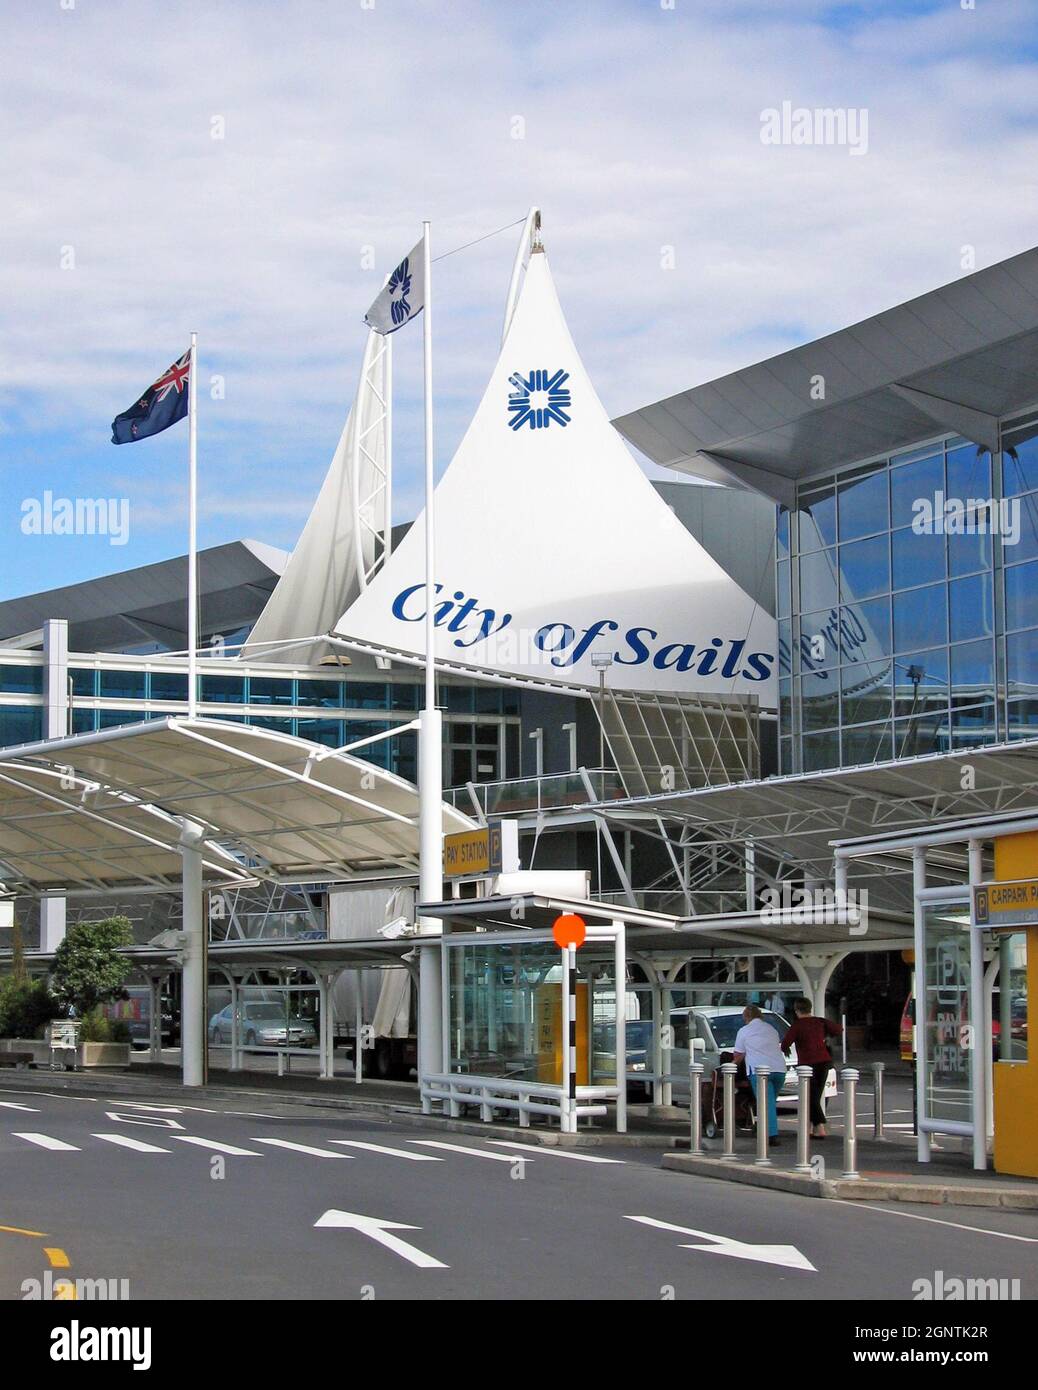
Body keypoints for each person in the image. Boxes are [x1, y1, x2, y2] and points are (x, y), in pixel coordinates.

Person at [782, 997, 841, 1138]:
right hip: (824, 1062)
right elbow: (838, 1029)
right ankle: (812, 1129)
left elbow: (785, 1043)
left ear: (797, 1010)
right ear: (810, 1008)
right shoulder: (820, 1021)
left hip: (807, 1065)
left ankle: (820, 1128)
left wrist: (787, 1050)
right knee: (815, 1095)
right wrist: (825, 1036)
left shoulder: (798, 1025)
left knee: (810, 1097)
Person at [732, 1004, 787, 1146]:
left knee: (766, 1104)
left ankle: (771, 1135)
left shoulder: (744, 1031)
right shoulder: (771, 1029)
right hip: (779, 1070)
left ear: (745, 1016)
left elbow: (738, 1055)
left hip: (760, 1071)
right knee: (770, 1103)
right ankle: (762, 1126)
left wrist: (729, 1066)